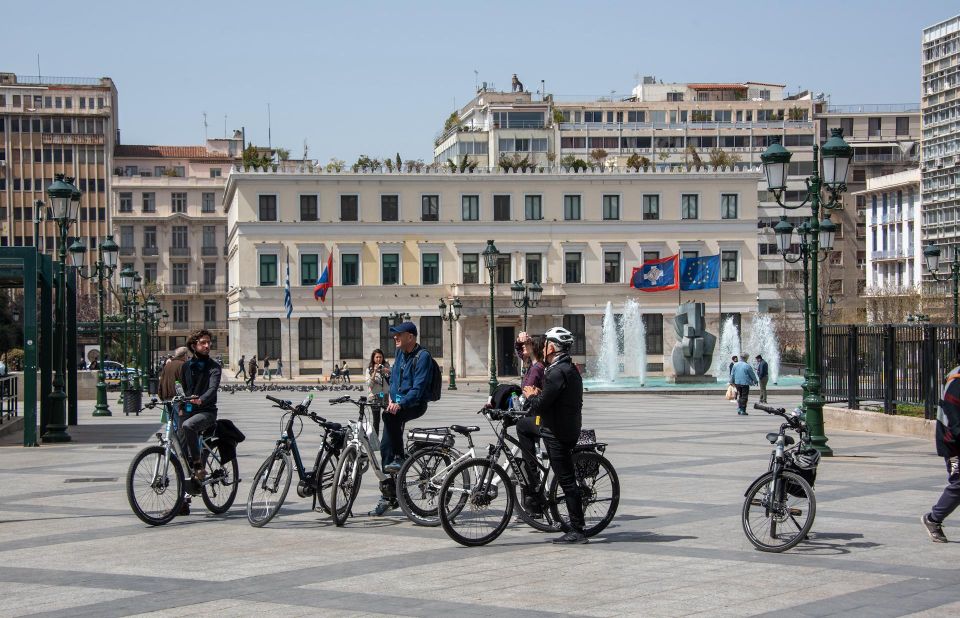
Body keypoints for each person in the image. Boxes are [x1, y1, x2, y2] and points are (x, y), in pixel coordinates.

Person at [522, 326, 587, 544]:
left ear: (551, 347)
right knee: (524, 426)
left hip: (559, 432)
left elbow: (540, 406)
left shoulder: (557, 372)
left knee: (567, 481)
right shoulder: (566, 368)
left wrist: (532, 395)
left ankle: (577, 530)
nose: (542, 347)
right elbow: (554, 398)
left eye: (545, 343)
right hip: (563, 427)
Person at [369, 321, 431, 516]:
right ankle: (389, 492)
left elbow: (418, 388)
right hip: (396, 405)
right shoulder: (399, 353)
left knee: (390, 418)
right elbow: (395, 379)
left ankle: (400, 458)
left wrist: (401, 403)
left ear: (410, 337)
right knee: (385, 447)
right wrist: (389, 399)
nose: (395, 337)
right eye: (395, 334)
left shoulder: (423, 357)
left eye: (399, 334)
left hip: (415, 404)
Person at [178, 330, 221, 515]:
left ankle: (198, 464)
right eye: (203, 342)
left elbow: (213, 389)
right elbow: (184, 388)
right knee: (179, 453)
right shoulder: (186, 366)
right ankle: (184, 500)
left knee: (189, 427)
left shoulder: (214, 367)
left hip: (206, 412)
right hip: (189, 411)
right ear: (194, 345)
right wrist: (183, 401)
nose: (207, 345)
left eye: (208, 342)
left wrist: (201, 399)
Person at [922, 364, 960, 543]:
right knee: (959, 481)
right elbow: (954, 419)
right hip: (953, 445)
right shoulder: (957, 381)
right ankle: (933, 519)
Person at [516, 333, 548, 515]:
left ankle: (535, 493)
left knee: (523, 430)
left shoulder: (537, 368)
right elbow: (520, 353)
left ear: (534, 348)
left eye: (526, 345)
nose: (523, 348)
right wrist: (519, 341)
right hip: (534, 412)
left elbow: (528, 391)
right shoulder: (532, 364)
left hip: (537, 416)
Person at [365, 349, 391, 436]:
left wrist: (388, 372)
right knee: (376, 420)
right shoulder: (369, 369)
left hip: (385, 396)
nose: (378, 359)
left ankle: (387, 438)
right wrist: (375, 371)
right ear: (373, 358)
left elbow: (393, 381)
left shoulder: (386, 367)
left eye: (380, 357)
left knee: (389, 417)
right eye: (376, 357)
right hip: (375, 397)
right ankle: (375, 441)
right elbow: (369, 384)